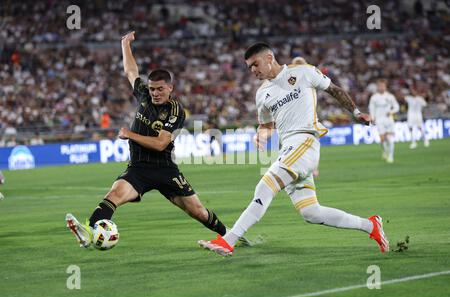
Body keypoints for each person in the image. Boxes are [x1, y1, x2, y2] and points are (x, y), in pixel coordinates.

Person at [198, 42, 389, 256]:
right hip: (288, 148)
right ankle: (371, 225)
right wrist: (261, 135)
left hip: (305, 141)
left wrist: (356, 113)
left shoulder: (304, 73)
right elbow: (267, 125)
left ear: (269, 57)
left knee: (265, 186)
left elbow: (334, 90)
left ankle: (228, 240)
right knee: (311, 212)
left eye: (255, 64)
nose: (252, 71)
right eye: (249, 67)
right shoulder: (262, 95)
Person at [66, 31, 248, 248]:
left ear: (170, 88)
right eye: (152, 89)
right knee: (114, 194)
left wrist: (129, 134)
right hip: (139, 168)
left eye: (160, 89)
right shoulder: (143, 95)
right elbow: (130, 70)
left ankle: (229, 235)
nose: (155, 93)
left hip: (164, 169)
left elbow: (161, 143)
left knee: (197, 211)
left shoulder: (175, 111)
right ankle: (89, 231)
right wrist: (125, 44)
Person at [368, 79, 400, 163]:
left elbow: (397, 107)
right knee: (382, 139)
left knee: (389, 138)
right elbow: (372, 108)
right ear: (378, 87)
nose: (381, 87)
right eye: (380, 86)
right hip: (379, 119)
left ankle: (391, 156)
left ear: (385, 87)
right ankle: (385, 151)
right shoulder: (374, 97)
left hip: (389, 119)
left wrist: (391, 112)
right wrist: (372, 117)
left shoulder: (390, 96)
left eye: (383, 86)